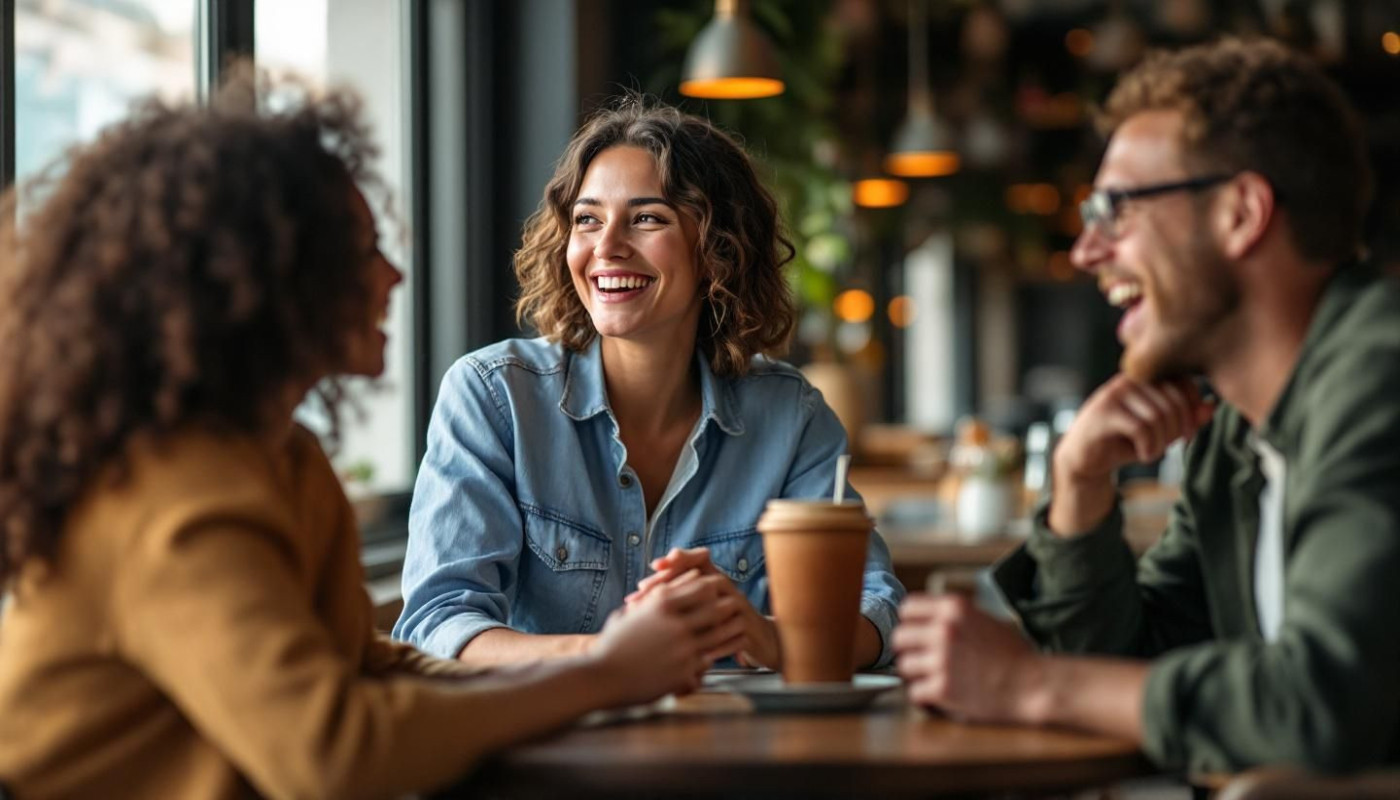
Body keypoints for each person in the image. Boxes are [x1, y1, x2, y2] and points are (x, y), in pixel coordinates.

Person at [0, 74, 741, 800]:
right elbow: (333, 755)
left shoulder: (283, 457)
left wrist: (607, 680)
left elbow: (365, 664)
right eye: (358, 252)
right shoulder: (169, 495)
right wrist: (605, 674)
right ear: (260, 282)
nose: (391, 275)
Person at [893, 37, 1400, 775]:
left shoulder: (1377, 378)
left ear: (1240, 213)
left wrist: (1023, 683)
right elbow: (1126, 671)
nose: (1085, 252)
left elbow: (1320, 707)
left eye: (1115, 209)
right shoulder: (1237, 435)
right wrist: (1078, 491)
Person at [395, 97, 904, 670]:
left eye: (646, 218)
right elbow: (438, 623)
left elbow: (875, 612)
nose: (606, 247)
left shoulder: (791, 417)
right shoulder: (493, 397)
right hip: (552, 748)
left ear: (717, 251)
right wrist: (619, 656)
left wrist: (761, 635)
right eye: (587, 219)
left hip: (732, 748)